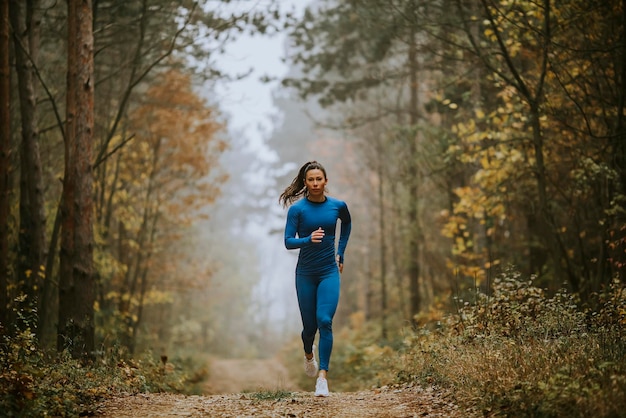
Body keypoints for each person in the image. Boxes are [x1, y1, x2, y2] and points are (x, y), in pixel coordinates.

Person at [279, 160, 352, 397]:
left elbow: (347, 223)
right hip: (306, 274)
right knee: (309, 328)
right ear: (305, 182)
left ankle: (322, 377)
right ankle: (308, 353)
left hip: (329, 271)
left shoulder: (337, 206)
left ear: (325, 181)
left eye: (319, 179)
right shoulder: (297, 210)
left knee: (325, 321)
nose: (315, 183)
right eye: (310, 180)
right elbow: (288, 241)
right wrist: (307, 240)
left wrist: (340, 251)